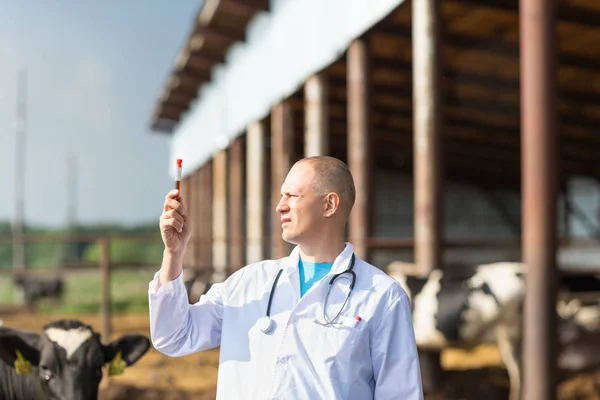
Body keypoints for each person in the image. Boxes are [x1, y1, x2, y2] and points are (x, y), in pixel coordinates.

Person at [148, 156, 423, 399]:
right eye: (281, 196)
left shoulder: (382, 296)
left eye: (292, 195)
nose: (280, 206)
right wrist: (174, 252)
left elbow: (401, 393)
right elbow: (174, 337)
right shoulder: (249, 283)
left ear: (329, 204)